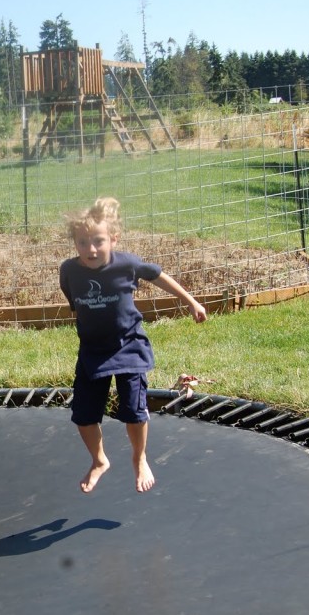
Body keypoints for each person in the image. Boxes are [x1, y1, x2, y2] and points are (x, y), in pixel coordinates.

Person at [59, 197, 208, 494]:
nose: (90, 249)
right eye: (82, 242)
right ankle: (99, 460)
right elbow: (72, 297)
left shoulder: (127, 264)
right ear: (74, 242)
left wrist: (191, 302)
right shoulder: (69, 270)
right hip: (92, 351)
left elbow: (158, 276)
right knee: (84, 416)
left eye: (98, 241)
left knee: (134, 410)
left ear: (113, 239)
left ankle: (139, 459)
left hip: (128, 346)